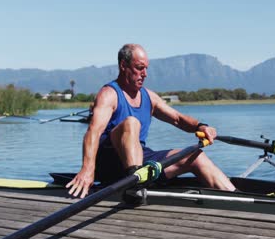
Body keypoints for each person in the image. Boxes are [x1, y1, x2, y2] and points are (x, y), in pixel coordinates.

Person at [66, 44, 236, 198]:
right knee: (131, 122)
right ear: (123, 66)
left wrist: (201, 126)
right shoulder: (109, 94)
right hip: (110, 164)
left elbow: (178, 119)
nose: (145, 74)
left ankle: (235, 197)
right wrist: (87, 169)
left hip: (138, 158)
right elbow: (93, 132)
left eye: (146, 69)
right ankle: (136, 183)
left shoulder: (149, 97)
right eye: (139, 68)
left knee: (196, 156)